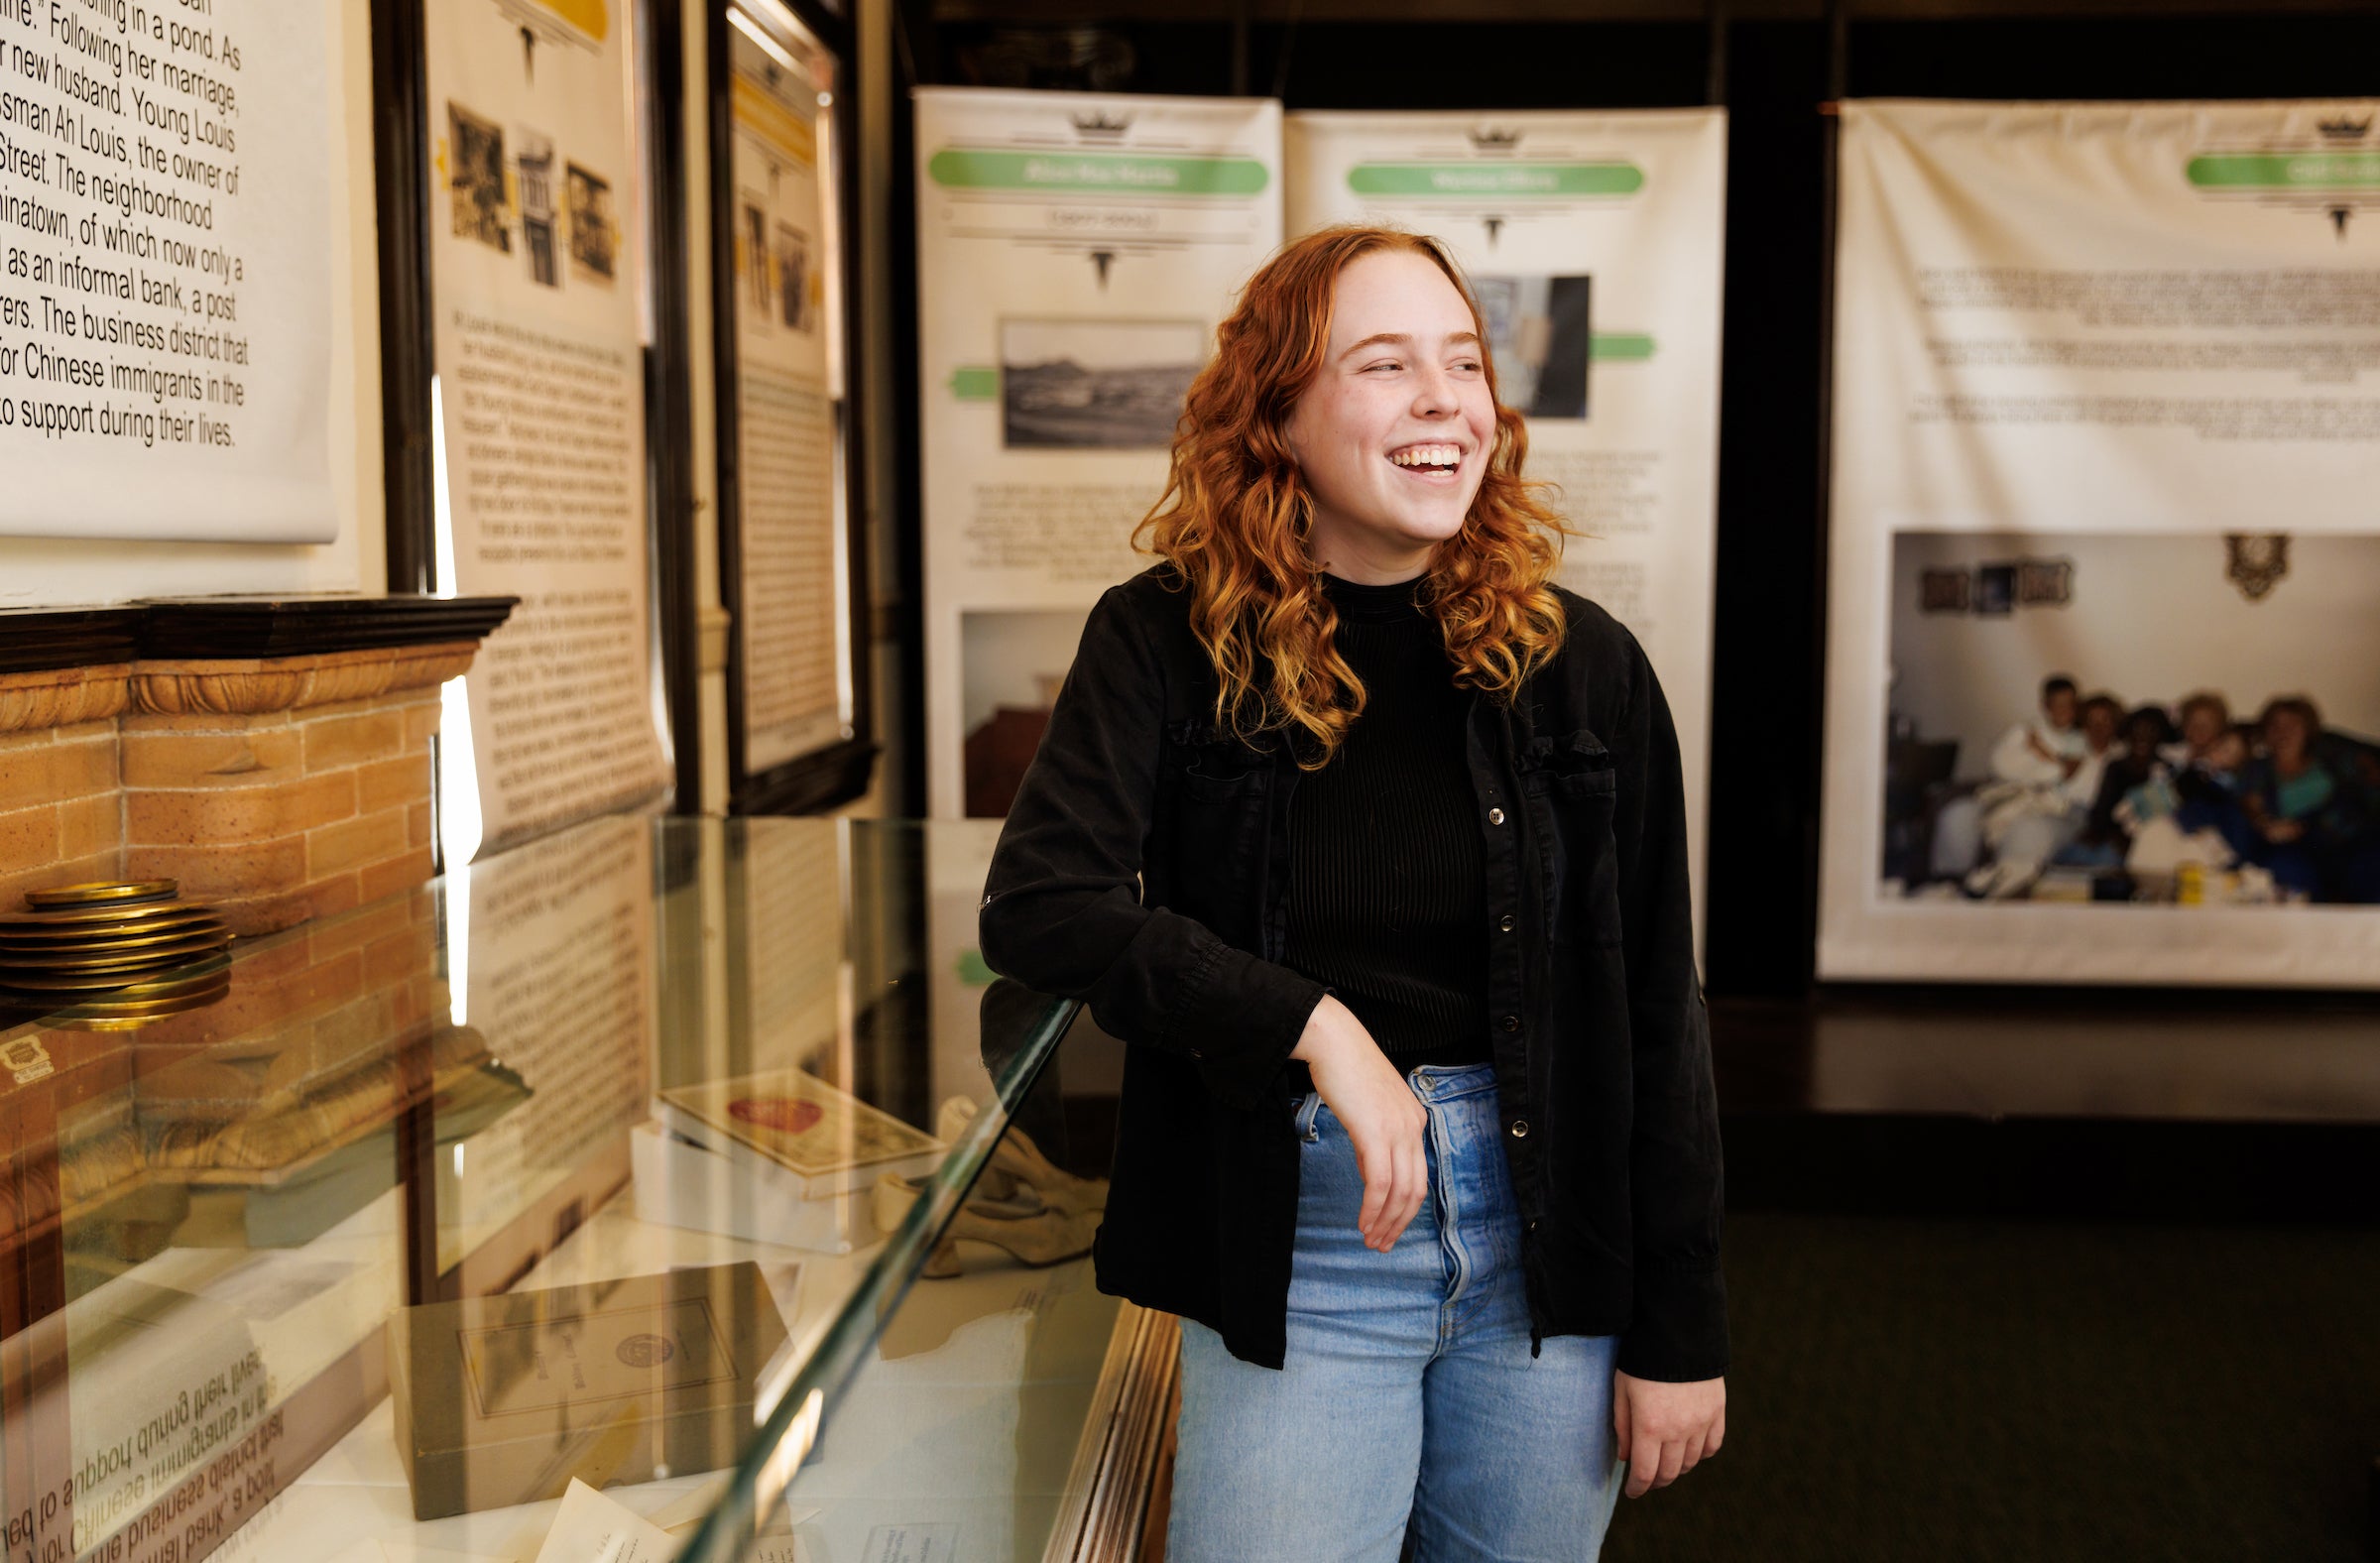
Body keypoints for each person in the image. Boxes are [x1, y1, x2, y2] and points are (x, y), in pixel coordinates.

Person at [977, 227, 1725, 1562]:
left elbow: (1659, 1017)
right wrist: (1311, 1022)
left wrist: (1681, 1327)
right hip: (1302, 1248)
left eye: (1464, 362)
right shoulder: (1162, 639)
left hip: (1551, 1253)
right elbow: (1042, 905)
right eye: (1386, 364)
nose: (1448, 399)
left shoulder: (1586, 668)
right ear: (1277, 415)